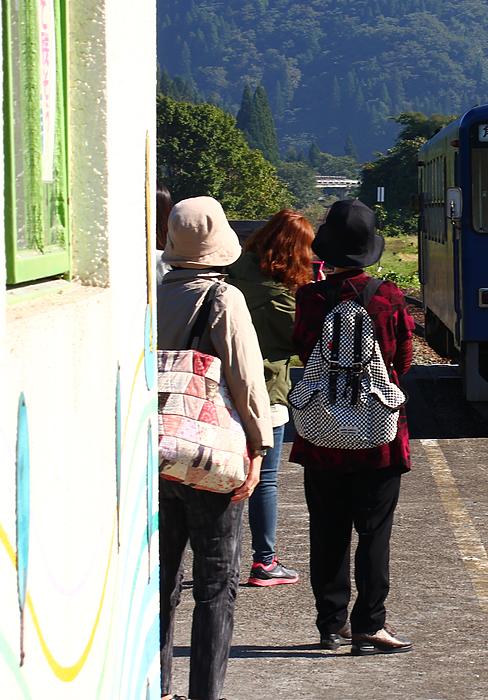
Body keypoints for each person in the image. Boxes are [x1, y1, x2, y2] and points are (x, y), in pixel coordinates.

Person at [157, 196, 274, 700]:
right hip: (210, 459)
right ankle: (206, 693)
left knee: (160, 584)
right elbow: (246, 380)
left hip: (156, 453)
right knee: (215, 585)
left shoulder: (150, 294)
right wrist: (259, 446)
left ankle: (158, 687)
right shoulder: (224, 300)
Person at [291, 199, 415, 655]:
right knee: (374, 529)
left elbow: (305, 353)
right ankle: (369, 624)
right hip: (377, 435)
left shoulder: (310, 297)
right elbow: (402, 361)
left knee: (326, 527)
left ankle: (329, 625)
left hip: (321, 433)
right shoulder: (388, 297)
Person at [225, 209, 316, 587]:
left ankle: (223, 557)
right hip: (267, 392)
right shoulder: (281, 299)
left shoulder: (229, 277)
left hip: (223, 389)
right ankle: (264, 561)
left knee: (222, 475)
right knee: (265, 480)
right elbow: (303, 345)